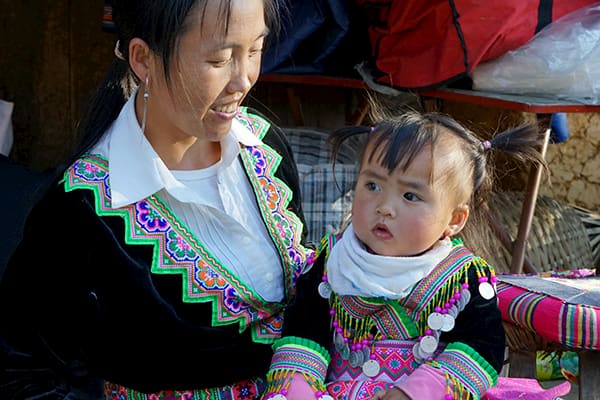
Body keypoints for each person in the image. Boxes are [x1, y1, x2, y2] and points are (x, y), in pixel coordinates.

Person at [0, 1, 320, 399]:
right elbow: (18, 371)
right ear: (143, 59)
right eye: (220, 59)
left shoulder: (264, 149)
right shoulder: (83, 208)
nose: (244, 80)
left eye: (254, 50)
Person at [264, 108, 548, 400]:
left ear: (454, 220)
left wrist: (411, 393)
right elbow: (303, 335)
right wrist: (298, 389)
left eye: (410, 196)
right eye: (372, 185)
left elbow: (480, 348)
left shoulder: (463, 279)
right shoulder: (331, 263)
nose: (384, 206)